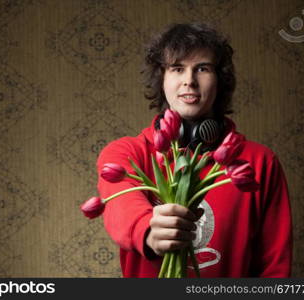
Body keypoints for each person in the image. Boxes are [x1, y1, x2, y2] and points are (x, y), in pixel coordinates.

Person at [96, 23, 292, 277]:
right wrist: (149, 231)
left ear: (220, 80)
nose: (189, 81)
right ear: (161, 79)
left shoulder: (259, 161)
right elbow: (121, 206)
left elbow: (275, 267)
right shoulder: (126, 153)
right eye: (177, 68)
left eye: (202, 68)